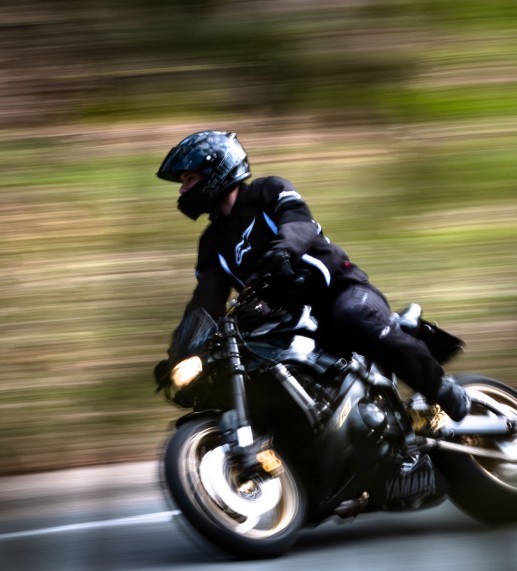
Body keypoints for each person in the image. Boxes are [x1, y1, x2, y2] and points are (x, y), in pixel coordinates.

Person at [156, 130, 470, 421]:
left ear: (216, 171)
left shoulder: (269, 191)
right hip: (287, 317)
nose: (183, 189)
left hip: (340, 291)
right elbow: (205, 301)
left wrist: (283, 250)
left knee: (353, 315)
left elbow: (299, 225)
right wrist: (181, 354)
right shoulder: (211, 243)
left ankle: (443, 391)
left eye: (189, 178)